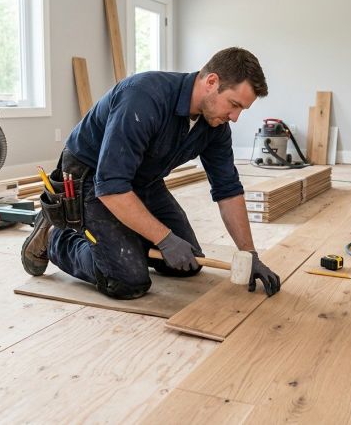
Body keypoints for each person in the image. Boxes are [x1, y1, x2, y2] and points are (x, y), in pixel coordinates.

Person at [21, 47, 281, 300]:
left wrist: (250, 254)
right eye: (234, 105)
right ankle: (58, 235)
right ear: (211, 82)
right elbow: (111, 186)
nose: (235, 117)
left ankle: (120, 239)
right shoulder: (144, 97)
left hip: (142, 180)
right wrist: (163, 238)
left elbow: (228, 191)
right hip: (90, 178)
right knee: (126, 280)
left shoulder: (215, 126)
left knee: (188, 263)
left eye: (241, 110)